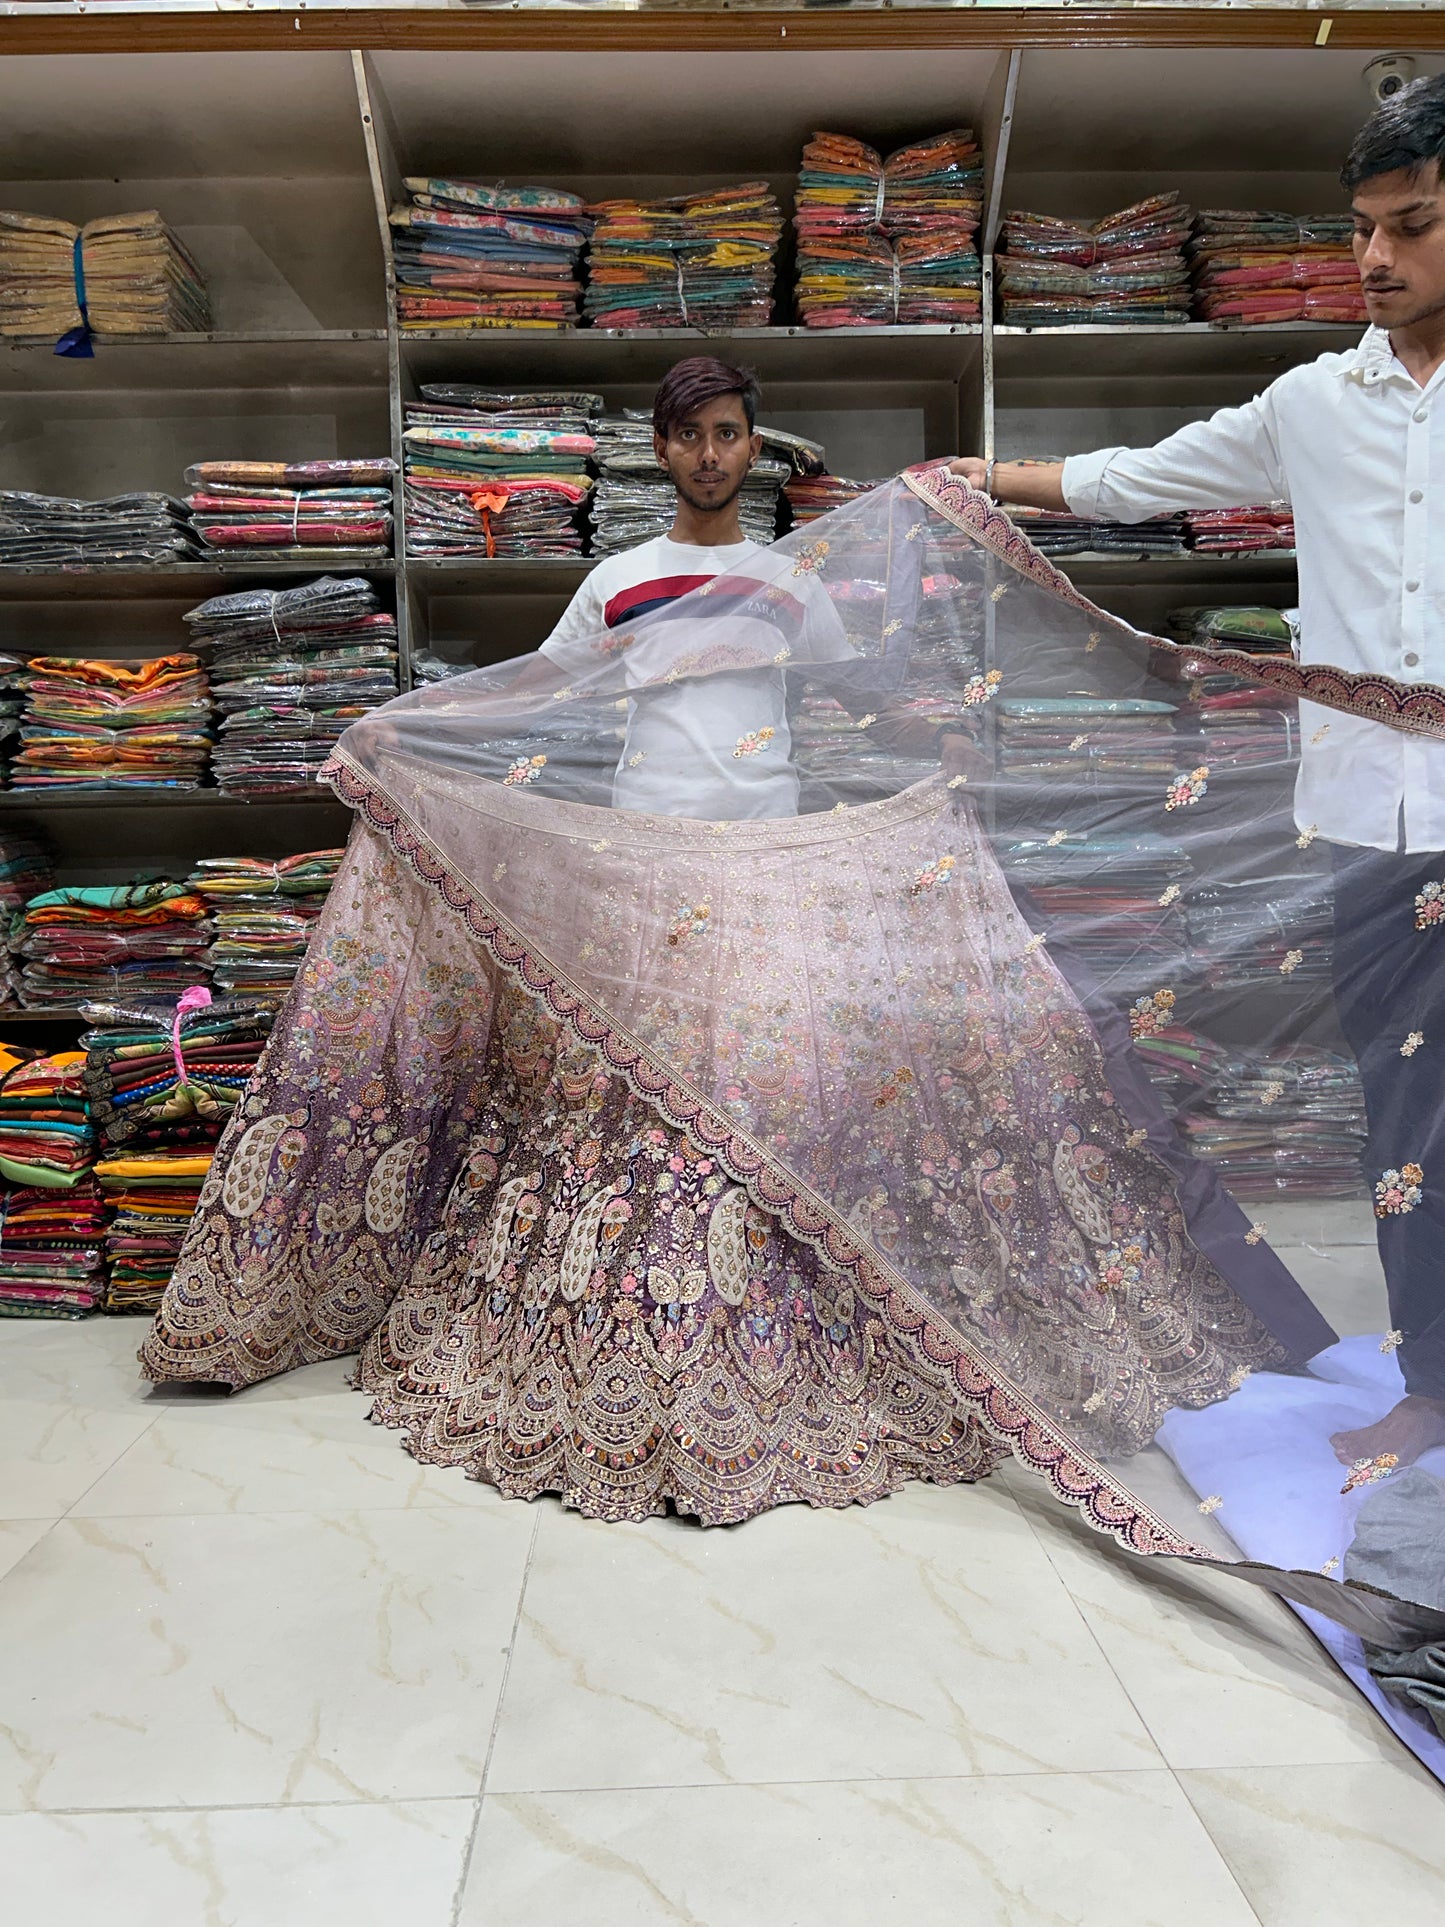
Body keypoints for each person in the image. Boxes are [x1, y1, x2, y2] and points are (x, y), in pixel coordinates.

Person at [951, 74, 1445, 1469]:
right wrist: (991, 478)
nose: (1371, 259)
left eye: (1408, 226)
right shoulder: (1313, 404)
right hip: (1370, 820)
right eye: (1361, 228)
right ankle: (1434, 1387)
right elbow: (1143, 475)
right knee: (1405, 1123)